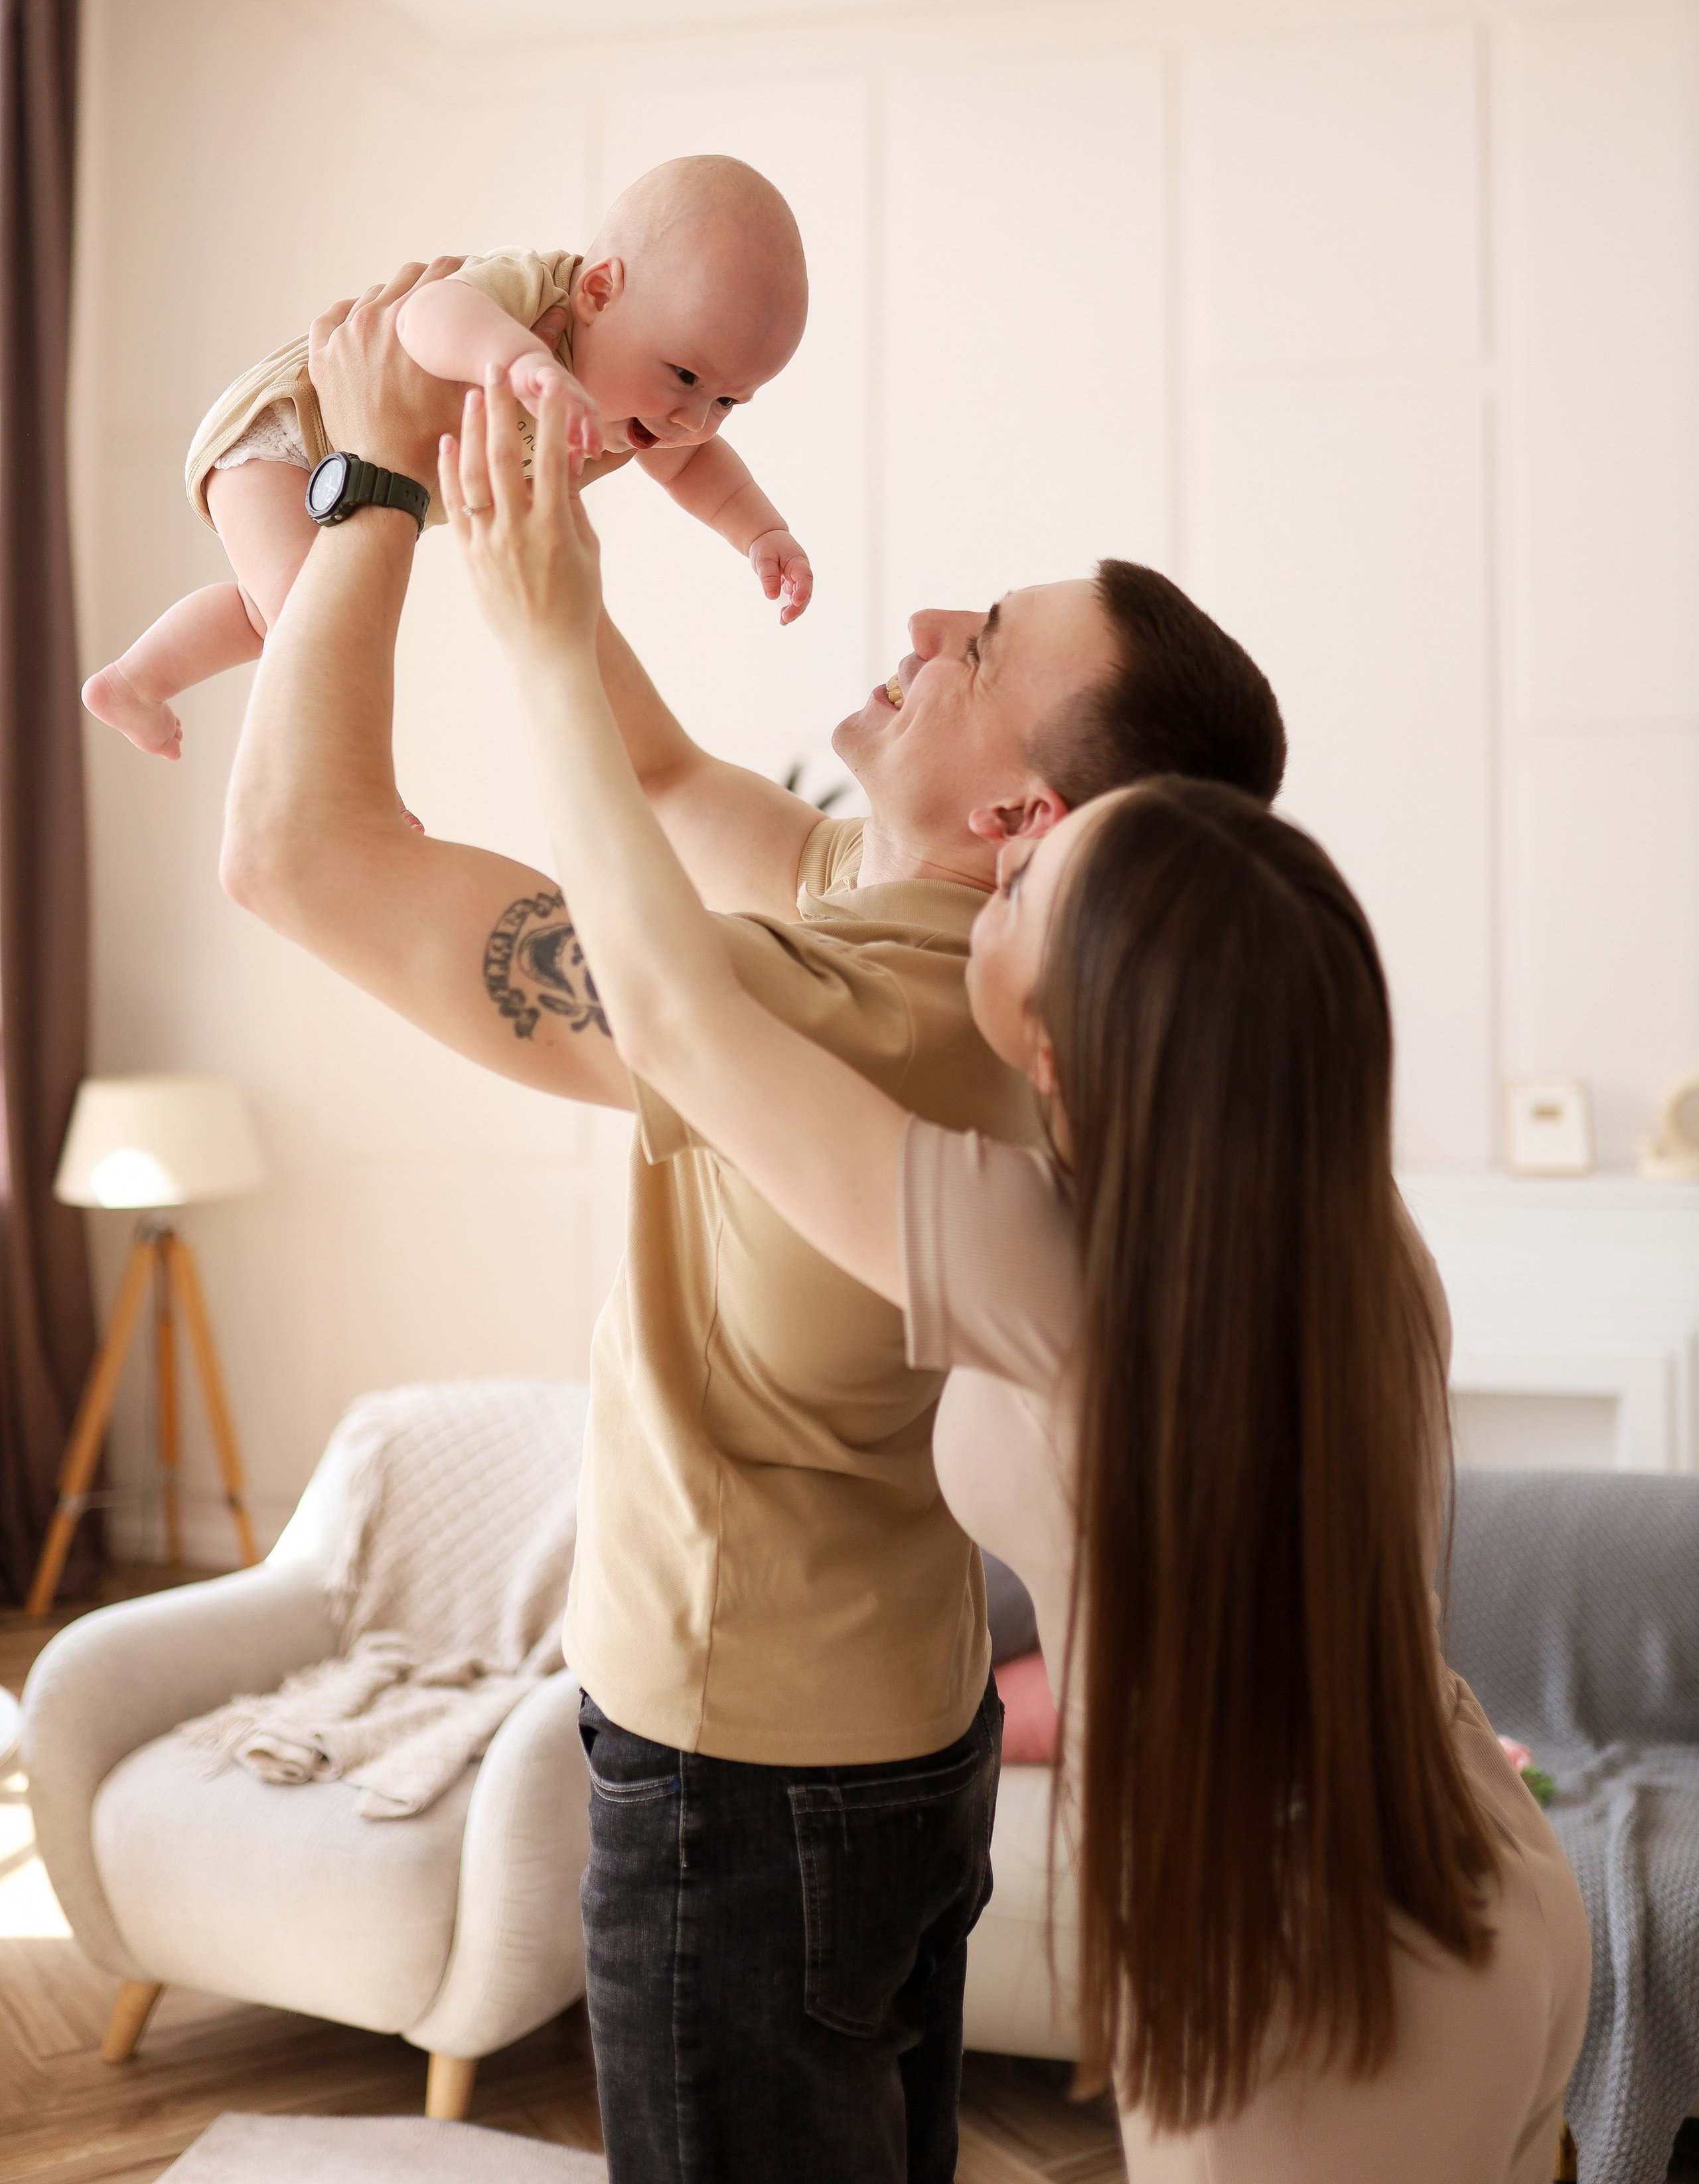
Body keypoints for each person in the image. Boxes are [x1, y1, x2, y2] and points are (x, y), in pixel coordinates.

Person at [440, 377, 1593, 2184]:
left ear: (1066, 1036)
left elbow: (677, 1007)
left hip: (1306, 1975)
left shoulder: (1045, 1260)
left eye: (1031, 887)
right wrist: (565, 549)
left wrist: (521, 637)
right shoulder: (1335, 1237)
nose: (1004, 886)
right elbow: (692, 821)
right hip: (1497, 1864)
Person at [218, 264, 1287, 2184]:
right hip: (890, 1739)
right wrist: (525, 460)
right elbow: (651, 774)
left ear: (1027, 818)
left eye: (981, 649)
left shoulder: (830, 1012)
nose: (931, 618)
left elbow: (300, 854)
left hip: (748, 1786)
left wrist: (368, 476)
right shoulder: (916, 942)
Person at [84, 155, 813, 761]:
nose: (694, 418)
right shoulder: (535, 294)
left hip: (343, 465)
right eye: (686, 376)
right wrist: (516, 359)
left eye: (728, 403)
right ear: (598, 290)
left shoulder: (641, 422)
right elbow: (425, 315)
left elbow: (696, 468)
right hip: (283, 431)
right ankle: (359, 783)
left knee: (283, 618)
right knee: (320, 629)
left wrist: (760, 532)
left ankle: (137, 682)